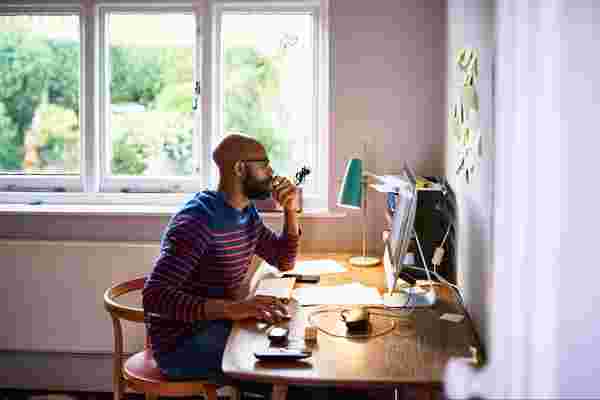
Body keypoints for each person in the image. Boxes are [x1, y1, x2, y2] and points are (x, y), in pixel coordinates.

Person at [142, 133, 300, 384]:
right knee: (283, 369)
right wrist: (235, 308)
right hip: (181, 346)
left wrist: (291, 210)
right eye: (264, 164)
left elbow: (284, 260)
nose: (271, 172)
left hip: (217, 325)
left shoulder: (245, 212)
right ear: (240, 168)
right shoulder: (198, 220)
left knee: (290, 348)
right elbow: (154, 297)